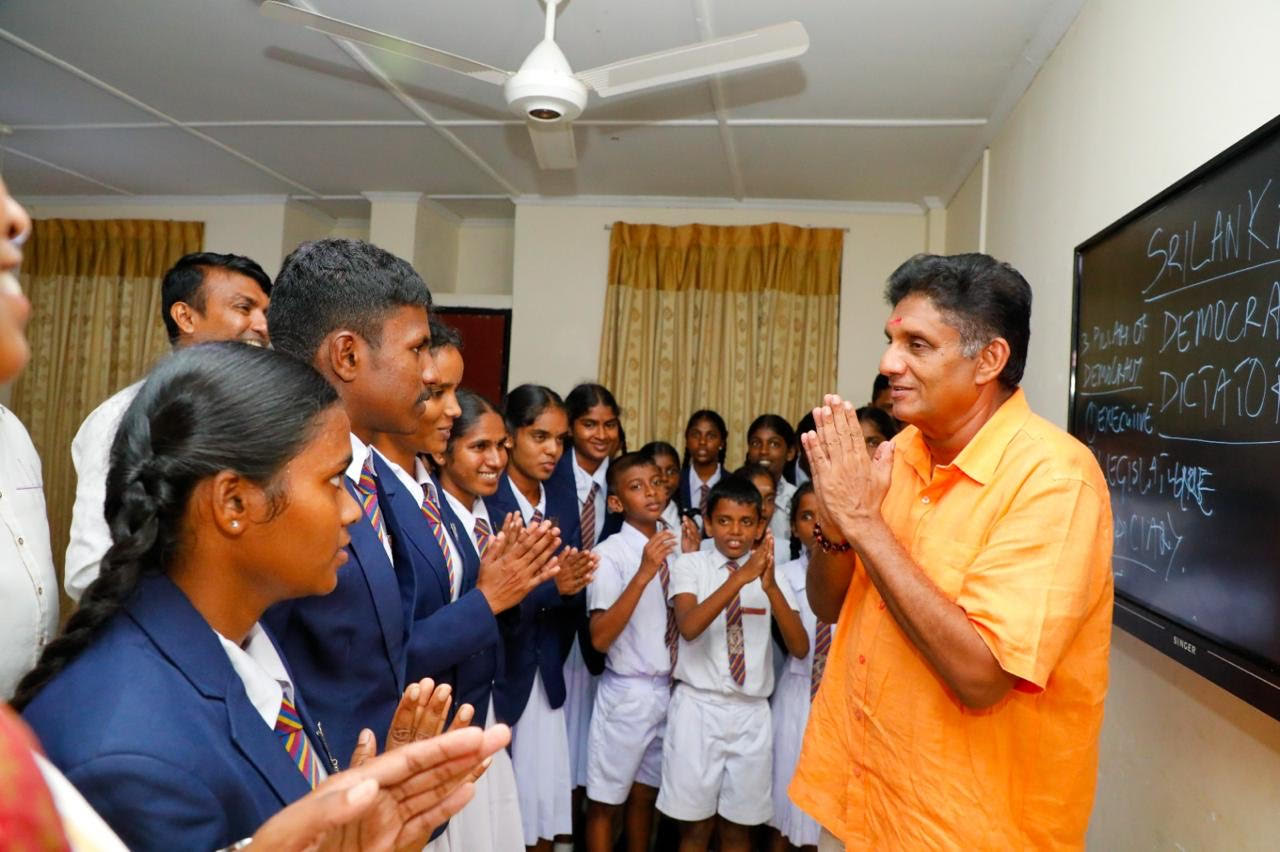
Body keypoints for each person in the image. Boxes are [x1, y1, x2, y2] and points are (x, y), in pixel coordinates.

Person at [15, 343, 508, 850]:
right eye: (334, 481)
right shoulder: (133, 760)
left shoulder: (243, 641)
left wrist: (361, 832)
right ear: (233, 502)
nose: (352, 512)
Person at [791, 253, 1114, 850]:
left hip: (965, 829)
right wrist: (835, 528)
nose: (889, 364)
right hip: (859, 798)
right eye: (891, 341)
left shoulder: (1054, 480)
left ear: (989, 359)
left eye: (917, 345)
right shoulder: (900, 452)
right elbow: (829, 606)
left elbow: (981, 677)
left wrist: (863, 522)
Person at [261, 237, 442, 768]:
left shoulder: (368, 468)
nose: (430, 373)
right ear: (347, 355)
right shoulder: (276, 481)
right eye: (417, 348)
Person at [376, 325, 551, 852]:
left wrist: (517, 586)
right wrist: (489, 598)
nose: (450, 409)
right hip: (424, 723)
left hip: (472, 710)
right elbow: (395, 647)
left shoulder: (433, 499)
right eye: (437, 393)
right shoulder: (380, 495)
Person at [64, 251, 272, 601]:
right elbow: (91, 569)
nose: (263, 326)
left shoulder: (261, 414)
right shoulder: (123, 417)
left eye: (265, 312)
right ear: (186, 317)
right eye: (244, 308)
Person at [657, 474, 808, 852]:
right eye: (724, 521)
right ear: (709, 524)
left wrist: (769, 587)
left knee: (739, 830)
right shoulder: (691, 566)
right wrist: (740, 579)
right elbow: (689, 627)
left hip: (751, 714)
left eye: (745, 522)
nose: (735, 531)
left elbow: (800, 647)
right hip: (699, 709)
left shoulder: (771, 573)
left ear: (760, 527)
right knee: (694, 828)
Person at [485, 384, 597, 852]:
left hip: (546, 669)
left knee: (541, 814)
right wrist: (556, 587)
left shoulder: (563, 498)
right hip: (497, 673)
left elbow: (571, 591)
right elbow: (486, 596)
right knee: (494, 816)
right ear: (510, 435)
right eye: (540, 437)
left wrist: (570, 589)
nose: (553, 450)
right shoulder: (488, 498)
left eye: (561, 440)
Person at [583, 453, 679, 852]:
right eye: (636, 487)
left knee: (645, 797)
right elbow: (600, 638)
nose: (651, 492)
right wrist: (643, 573)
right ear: (616, 502)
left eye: (656, 482)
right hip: (627, 692)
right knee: (605, 803)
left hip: (667, 689)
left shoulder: (674, 545)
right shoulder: (611, 554)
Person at [766, 483, 826, 852]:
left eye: (825, 515)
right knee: (785, 806)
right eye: (807, 516)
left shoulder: (859, 574)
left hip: (838, 698)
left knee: (825, 817)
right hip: (797, 694)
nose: (817, 525)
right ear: (792, 527)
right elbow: (799, 647)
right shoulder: (784, 576)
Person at [745, 414, 798, 540]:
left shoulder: (796, 499)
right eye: (756, 443)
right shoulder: (732, 493)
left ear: (790, 452)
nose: (763, 451)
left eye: (774, 444)